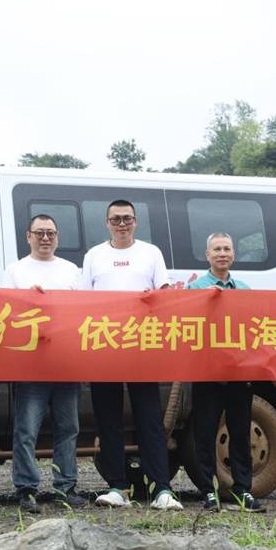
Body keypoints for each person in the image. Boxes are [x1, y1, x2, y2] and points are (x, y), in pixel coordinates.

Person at [81, 200, 183, 511]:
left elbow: (163, 295)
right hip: (104, 346)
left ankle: (161, 489)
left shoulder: (151, 253)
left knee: (149, 419)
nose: (121, 223)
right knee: (108, 420)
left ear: (135, 222)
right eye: (116, 219)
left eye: (127, 218)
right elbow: (82, 301)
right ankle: (117, 486)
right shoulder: (94, 255)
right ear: (106, 223)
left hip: (143, 347)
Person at [1, 214, 86, 513]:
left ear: (58, 237)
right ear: (28, 236)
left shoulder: (72, 270)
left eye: (51, 233)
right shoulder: (15, 271)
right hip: (30, 364)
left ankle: (66, 487)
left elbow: (86, 311)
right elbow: (5, 313)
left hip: (66, 362)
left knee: (68, 428)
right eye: (39, 233)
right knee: (26, 429)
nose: (45, 238)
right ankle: (26, 488)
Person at [185, 233, 264, 513]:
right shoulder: (194, 288)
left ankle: (244, 489)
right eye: (216, 249)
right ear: (207, 255)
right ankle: (208, 490)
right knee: (204, 433)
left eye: (227, 249)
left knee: (240, 433)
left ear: (233, 255)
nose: (222, 253)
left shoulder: (244, 289)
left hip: (238, 374)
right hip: (206, 374)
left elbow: (254, 329)